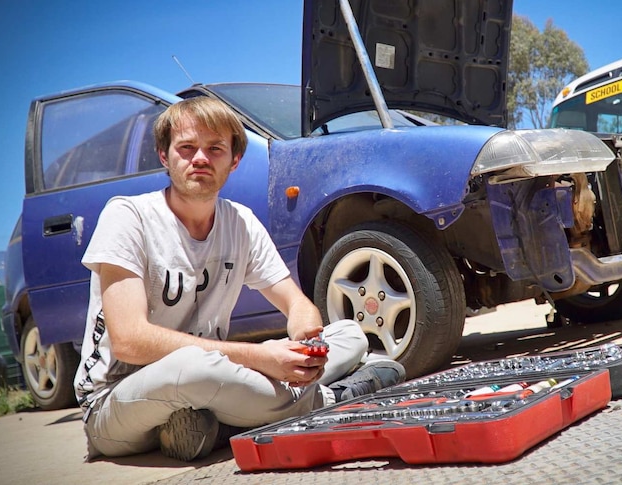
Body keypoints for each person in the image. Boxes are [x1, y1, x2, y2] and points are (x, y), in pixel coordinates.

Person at [73, 96, 405, 462]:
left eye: (215, 148)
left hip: (218, 379)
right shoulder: (128, 216)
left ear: (234, 161)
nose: (200, 158)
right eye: (186, 148)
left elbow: (296, 304)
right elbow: (129, 342)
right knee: (192, 369)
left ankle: (219, 427)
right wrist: (260, 358)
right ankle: (328, 398)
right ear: (165, 156)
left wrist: (306, 349)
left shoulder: (240, 222)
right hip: (117, 402)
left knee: (348, 333)